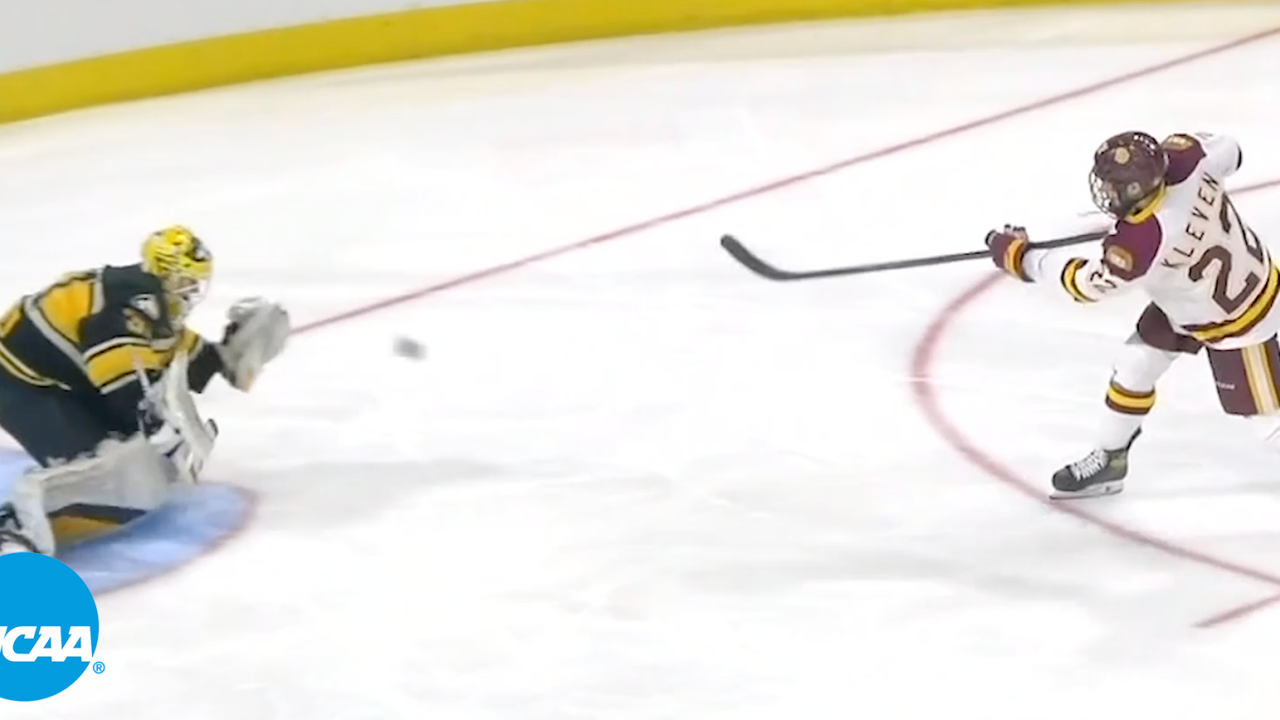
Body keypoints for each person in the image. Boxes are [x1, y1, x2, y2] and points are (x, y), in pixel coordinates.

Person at [985, 130, 1277, 498]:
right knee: (1135, 365)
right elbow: (1231, 152)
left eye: (1114, 186)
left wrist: (1022, 259)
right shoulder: (1187, 157)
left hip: (1238, 319)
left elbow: (1084, 285)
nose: (1107, 191)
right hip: (1196, 297)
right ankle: (1111, 460)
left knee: (1268, 421)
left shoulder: (1141, 244)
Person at [0, 226, 289, 554]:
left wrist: (228, 359)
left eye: (194, 283)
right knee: (120, 470)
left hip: (43, 379)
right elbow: (127, 394)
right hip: (18, 384)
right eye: (183, 281)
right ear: (163, 275)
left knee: (138, 461)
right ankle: (17, 528)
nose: (190, 292)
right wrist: (158, 425)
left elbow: (176, 354)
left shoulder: (143, 297)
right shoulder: (129, 306)